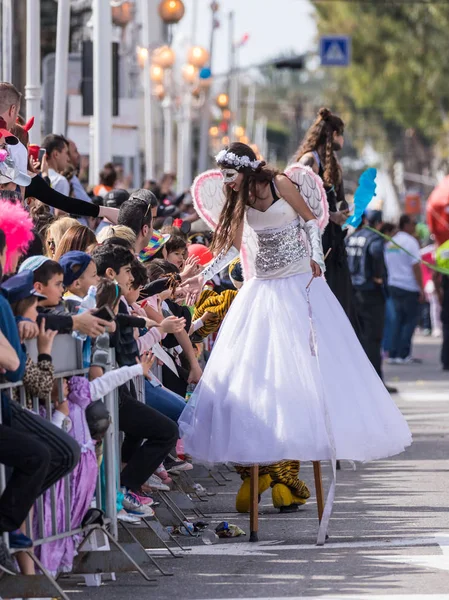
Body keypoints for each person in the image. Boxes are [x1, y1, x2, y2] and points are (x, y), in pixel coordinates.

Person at [179, 143, 412, 542]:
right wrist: (203, 276)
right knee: (260, 376)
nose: (227, 183)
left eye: (230, 175)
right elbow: (230, 246)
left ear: (247, 170)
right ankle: (263, 463)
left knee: (311, 371)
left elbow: (310, 222)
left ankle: (307, 454)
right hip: (263, 291)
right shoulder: (237, 203)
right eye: (223, 177)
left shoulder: (281, 183)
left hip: (300, 285)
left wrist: (317, 259)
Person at [295, 108, 359, 330]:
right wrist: (330, 215)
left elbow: (335, 201)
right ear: (333, 135)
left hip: (334, 242)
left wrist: (345, 212)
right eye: (341, 134)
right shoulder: (309, 160)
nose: (343, 139)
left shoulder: (333, 163)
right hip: (317, 243)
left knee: (341, 303)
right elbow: (296, 200)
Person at [346, 211, 396, 392]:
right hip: (371, 295)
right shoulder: (374, 238)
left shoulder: (352, 238)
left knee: (358, 338)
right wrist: (378, 276)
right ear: (379, 223)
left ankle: (359, 380)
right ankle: (375, 383)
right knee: (373, 339)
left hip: (353, 293)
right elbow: (376, 256)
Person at [385, 215, 425, 364]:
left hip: (394, 284)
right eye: (414, 223)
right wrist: (421, 288)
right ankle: (403, 354)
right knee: (409, 321)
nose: (415, 227)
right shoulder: (410, 242)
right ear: (406, 224)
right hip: (409, 286)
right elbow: (416, 266)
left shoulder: (391, 241)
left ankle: (393, 353)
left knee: (396, 320)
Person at [41, 134, 71, 201]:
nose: (68, 158)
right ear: (56, 154)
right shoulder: (60, 181)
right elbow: (60, 211)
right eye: (66, 153)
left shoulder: (35, 177)